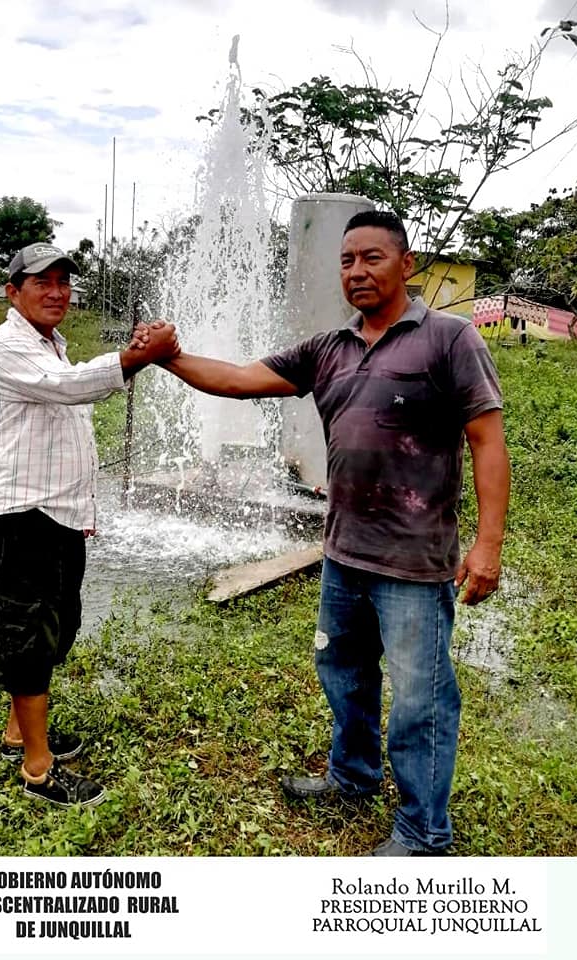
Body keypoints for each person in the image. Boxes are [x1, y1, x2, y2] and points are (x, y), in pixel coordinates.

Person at [139, 210, 510, 855]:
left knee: (420, 699)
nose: (357, 271)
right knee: (344, 672)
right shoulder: (328, 349)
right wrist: (169, 358)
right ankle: (353, 777)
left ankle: (424, 831)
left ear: (406, 263)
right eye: (346, 261)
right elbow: (240, 381)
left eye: (372, 257)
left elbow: (487, 440)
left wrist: (488, 545)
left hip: (415, 563)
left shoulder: (449, 340)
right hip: (343, 553)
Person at [0, 241, 179, 809]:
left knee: (56, 628)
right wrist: (135, 357)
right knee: (29, 638)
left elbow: (71, 397)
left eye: (63, 281)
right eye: (42, 282)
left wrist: (133, 355)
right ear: (13, 291)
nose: (57, 292)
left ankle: (19, 733)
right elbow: (69, 388)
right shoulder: (8, 345)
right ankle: (37, 770)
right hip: (23, 518)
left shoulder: (51, 345)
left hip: (55, 515)